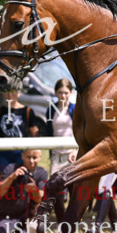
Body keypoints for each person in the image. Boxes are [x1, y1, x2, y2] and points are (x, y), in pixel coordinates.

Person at [0, 149, 49, 233]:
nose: (31, 161)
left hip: (28, 217)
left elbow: (41, 199)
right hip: (7, 215)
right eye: (28, 157)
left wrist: (34, 190)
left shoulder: (42, 172)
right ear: (22, 156)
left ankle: (25, 232)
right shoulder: (11, 168)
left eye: (34, 158)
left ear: (40, 157)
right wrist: (12, 177)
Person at [0, 89, 41, 174]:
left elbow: (35, 134)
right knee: (4, 181)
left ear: (19, 93)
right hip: (3, 153)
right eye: (6, 92)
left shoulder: (28, 112)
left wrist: (34, 155)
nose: (10, 95)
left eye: (13, 92)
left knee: (22, 180)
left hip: (22, 154)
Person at [43, 79, 76, 221]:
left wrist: (76, 150)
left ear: (71, 93)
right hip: (56, 154)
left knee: (73, 189)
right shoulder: (51, 109)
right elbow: (49, 131)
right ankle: (61, 221)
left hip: (72, 154)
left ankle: (73, 219)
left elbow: (79, 130)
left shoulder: (74, 109)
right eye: (60, 93)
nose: (63, 96)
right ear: (56, 93)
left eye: (66, 93)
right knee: (55, 189)